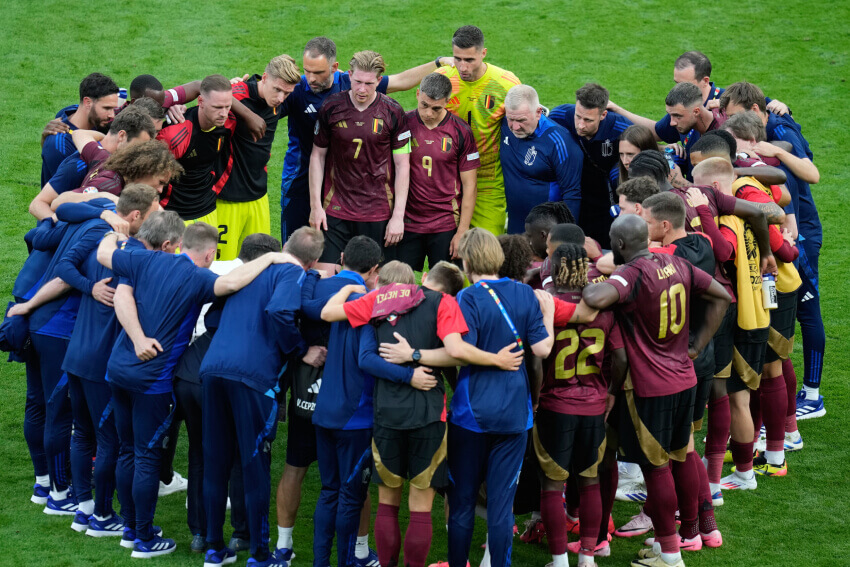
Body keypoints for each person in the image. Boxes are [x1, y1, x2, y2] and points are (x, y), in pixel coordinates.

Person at [95, 222, 294, 558]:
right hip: (153, 380)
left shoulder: (147, 259)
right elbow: (230, 282)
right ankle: (143, 538)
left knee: (128, 450)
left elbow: (104, 253)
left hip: (118, 370)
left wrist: (116, 232)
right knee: (147, 455)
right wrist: (274, 258)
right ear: (209, 253)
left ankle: (131, 527)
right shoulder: (198, 277)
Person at [322, 260, 524, 567]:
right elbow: (456, 352)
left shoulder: (380, 299)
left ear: (423, 276)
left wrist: (350, 288)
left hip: (387, 414)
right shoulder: (445, 303)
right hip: (429, 414)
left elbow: (331, 318)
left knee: (387, 504)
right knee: (420, 507)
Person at [583, 214, 731, 567]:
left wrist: (597, 276)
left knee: (656, 468)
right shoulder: (675, 261)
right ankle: (689, 532)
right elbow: (722, 295)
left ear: (619, 245)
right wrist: (696, 344)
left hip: (651, 387)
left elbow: (595, 296)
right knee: (681, 457)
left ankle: (669, 553)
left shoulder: (631, 274)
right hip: (685, 377)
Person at [8, 186, 159, 519]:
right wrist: (89, 286)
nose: (158, 213)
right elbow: (64, 272)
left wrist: (29, 305)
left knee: (41, 406)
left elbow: (61, 207)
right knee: (61, 414)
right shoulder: (107, 233)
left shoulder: (100, 211)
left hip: (44, 324)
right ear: (134, 214)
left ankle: (48, 486)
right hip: (60, 330)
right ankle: (62, 496)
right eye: (155, 207)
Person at [200, 227, 323, 567]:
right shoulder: (291, 273)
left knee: (216, 462)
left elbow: (213, 318)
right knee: (255, 467)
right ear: (311, 261)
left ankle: (213, 548)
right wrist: (301, 351)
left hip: (213, 370)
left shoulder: (250, 269)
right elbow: (279, 313)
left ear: (285, 246)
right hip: (253, 379)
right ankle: (259, 554)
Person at [445, 228, 554, 567]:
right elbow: (542, 348)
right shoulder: (526, 294)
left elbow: (460, 352)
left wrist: (492, 358)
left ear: (467, 260)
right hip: (514, 414)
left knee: (462, 502)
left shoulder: (468, 297)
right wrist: (548, 314)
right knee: (501, 506)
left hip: (471, 414)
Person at [280, 36, 455, 241]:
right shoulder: (297, 89)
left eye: (318, 72)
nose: (310, 78)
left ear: (335, 67)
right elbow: (267, 98)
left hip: (342, 186)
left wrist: (438, 62)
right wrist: (242, 88)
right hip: (301, 179)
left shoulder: (354, 84)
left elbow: (401, 81)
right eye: (306, 71)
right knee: (296, 249)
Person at [719, 82, 826, 420]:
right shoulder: (760, 146)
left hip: (797, 242)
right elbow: (782, 196)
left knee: (799, 324)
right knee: (777, 355)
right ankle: (787, 427)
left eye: (732, 118)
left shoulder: (776, 134)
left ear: (753, 114)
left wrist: (786, 233)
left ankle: (811, 396)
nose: (726, 125)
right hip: (786, 242)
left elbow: (808, 176)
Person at [173, 232, 280, 553]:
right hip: (223, 377)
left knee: (200, 453)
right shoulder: (267, 285)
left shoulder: (225, 275)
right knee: (236, 453)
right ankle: (242, 533)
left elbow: (212, 317)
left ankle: (201, 533)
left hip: (189, 375)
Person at [639, 192, 723, 551]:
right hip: (699, 359)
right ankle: (706, 526)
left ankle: (687, 531)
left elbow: (639, 263)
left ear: (664, 224)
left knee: (679, 451)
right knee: (686, 446)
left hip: (677, 361)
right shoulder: (701, 242)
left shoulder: (664, 259)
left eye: (643, 221)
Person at [536, 243, 626, 567]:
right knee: (590, 479)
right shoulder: (602, 303)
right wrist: (611, 390)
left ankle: (559, 560)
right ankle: (588, 556)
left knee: (551, 482)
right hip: (592, 404)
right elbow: (620, 356)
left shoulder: (546, 302)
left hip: (554, 403)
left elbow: (537, 357)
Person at [309, 50, 411, 271]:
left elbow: (403, 165)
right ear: (349, 75)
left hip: (378, 211)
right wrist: (315, 206)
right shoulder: (332, 107)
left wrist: (398, 217)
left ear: (379, 81)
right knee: (324, 277)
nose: (362, 89)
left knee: (375, 283)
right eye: (357, 82)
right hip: (335, 209)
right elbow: (317, 156)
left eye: (369, 83)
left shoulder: (393, 111)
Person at [436, 25, 521, 236]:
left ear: (483, 53)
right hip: (447, 177)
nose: (462, 67)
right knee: (448, 252)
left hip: (487, 179)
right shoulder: (442, 79)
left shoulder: (506, 84)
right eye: (457, 59)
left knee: (487, 250)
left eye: (469, 60)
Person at [214, 55, 301, 261]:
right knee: (221, 266)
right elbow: (207, 97)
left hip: (259, 197)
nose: (281, 98)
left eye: (287, 93)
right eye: (277, 90)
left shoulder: (278, 102)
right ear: (264, 78)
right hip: (227, 198)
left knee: (261, 264)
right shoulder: (236, 95)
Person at [396, 72, 480, 270]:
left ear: (447, 102)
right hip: (408, 222)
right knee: (399, 285)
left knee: (447, 288)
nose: (428, 113)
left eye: (436, 108)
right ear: (417, 94)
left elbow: (470, 185)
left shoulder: (461, 131)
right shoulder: (402, 124)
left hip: (445, 224)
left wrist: (462, 232)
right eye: (424, 105)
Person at [30, 107, 158, 219]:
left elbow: (80, 134)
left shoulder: (100, 154)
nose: (140, 155)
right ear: (122, 136)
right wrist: (60, 230)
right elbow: (38, 204)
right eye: (137, 147)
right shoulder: (79, 166)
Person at [549, 83, 632, 247]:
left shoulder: (621, 127)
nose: (580, 125)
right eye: (578, 116)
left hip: (605, 196)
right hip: (572, 191)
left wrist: (666, 148)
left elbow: (641, 145)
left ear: (603, 115)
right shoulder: (559, 115)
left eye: (588, 120)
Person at [500, 85, 582, 234]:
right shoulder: (504, 124)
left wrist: (565, 238)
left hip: (545, 233)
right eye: (510, 119)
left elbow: (572, 194)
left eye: (521, 120)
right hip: (515, 226)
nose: (515, 127)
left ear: (538, 112)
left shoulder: (558, 142)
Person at [157, 75, 235, 227]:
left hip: (209, 211)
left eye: (228, 106)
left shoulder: (228, 123)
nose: (224, 114)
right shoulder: (175, 135)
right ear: (201, 102)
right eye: (218, 107)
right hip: (175, 216)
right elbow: (150, 177)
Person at [41, 73, 120, 185]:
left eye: (113, 109)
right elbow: (67, 191)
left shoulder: (94, 119)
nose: (112, 115)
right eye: (107, 108)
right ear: (87, 102)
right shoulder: (59, 145)